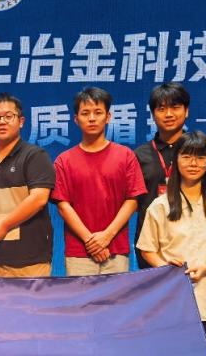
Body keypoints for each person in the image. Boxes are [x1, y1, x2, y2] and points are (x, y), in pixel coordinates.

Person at [136, 131, 206, 342]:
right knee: (174, 355)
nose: (193, 163)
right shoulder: (160, 205)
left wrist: (205, 268)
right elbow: (147, 249)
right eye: (186, 156)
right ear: (175, 160)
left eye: (200, 157)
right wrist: (167, 268)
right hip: (172, 297)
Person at [52, 86, 145, 276]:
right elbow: (63, 206)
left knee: (117, 296)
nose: (92, 118)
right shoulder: (64, 160)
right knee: (80, 297)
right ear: (76, 119)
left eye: (98, 112)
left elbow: (133, 200)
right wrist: (90, 240)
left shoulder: (126, 155)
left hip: (116, 249)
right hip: (79, 252)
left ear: (108, 117)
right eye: (85, 113)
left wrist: (107, 236)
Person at [133, 83, 206, 268]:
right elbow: (132, 202)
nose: (169, 114)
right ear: (153, 114)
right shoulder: (138, 156)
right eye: (161, 109)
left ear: (186, 111)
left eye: (175, 107)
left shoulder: (205, 155)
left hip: (196, 246)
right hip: (151, 247)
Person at [0, 93, 55, 277]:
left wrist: (4, 225)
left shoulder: (35, 156)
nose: (2, 121)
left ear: (21, 121)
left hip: (31, 262)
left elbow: (39, 199)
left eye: (9, 116)